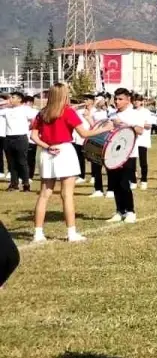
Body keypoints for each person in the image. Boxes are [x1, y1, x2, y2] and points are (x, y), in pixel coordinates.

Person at [29, 83, 112, 243]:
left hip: (47, 153)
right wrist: (105, 128)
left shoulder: (42, 113)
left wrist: (47, 146)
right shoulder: (67, 112)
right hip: (65, 151)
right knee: (67, 195)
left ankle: (38, 233)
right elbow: (85, 133)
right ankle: (71, 233)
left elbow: (34, 136)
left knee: (44, 194)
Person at [107, 88, 144, 223]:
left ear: (128, 100)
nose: (117, 102)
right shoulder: (112, 114)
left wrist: (123, 124)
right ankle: (119, 210)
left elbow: (140, 130)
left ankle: (130, 211)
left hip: (128, 153)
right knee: (114, 183)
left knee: (124, 183)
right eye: (115, 99)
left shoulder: (134, 114)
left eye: (120, 99)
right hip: (112, 153)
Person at [3, 92, 32, 192]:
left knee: (22, 162)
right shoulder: (6, 110)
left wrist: (30, 128)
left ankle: (26, 184)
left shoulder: (25, 109)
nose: (10, 99)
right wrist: (5, 102)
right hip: (8, 138)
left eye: (13, 97)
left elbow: (35, 118)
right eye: (10, 97)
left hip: (21, 138)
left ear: (20, 99)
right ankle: (14, 184)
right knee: (11, 163)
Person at [130, 94, 153, 190]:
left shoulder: (146, 112)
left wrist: (139, 125)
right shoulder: (130, 112)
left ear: (141, 102)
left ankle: (144, 180)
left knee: (143, 161)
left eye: (137, 100)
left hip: (143, 139)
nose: (135, 102)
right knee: (131, 162)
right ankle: (133, 181)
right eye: (134, 100)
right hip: (132, 139)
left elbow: (149, 125)